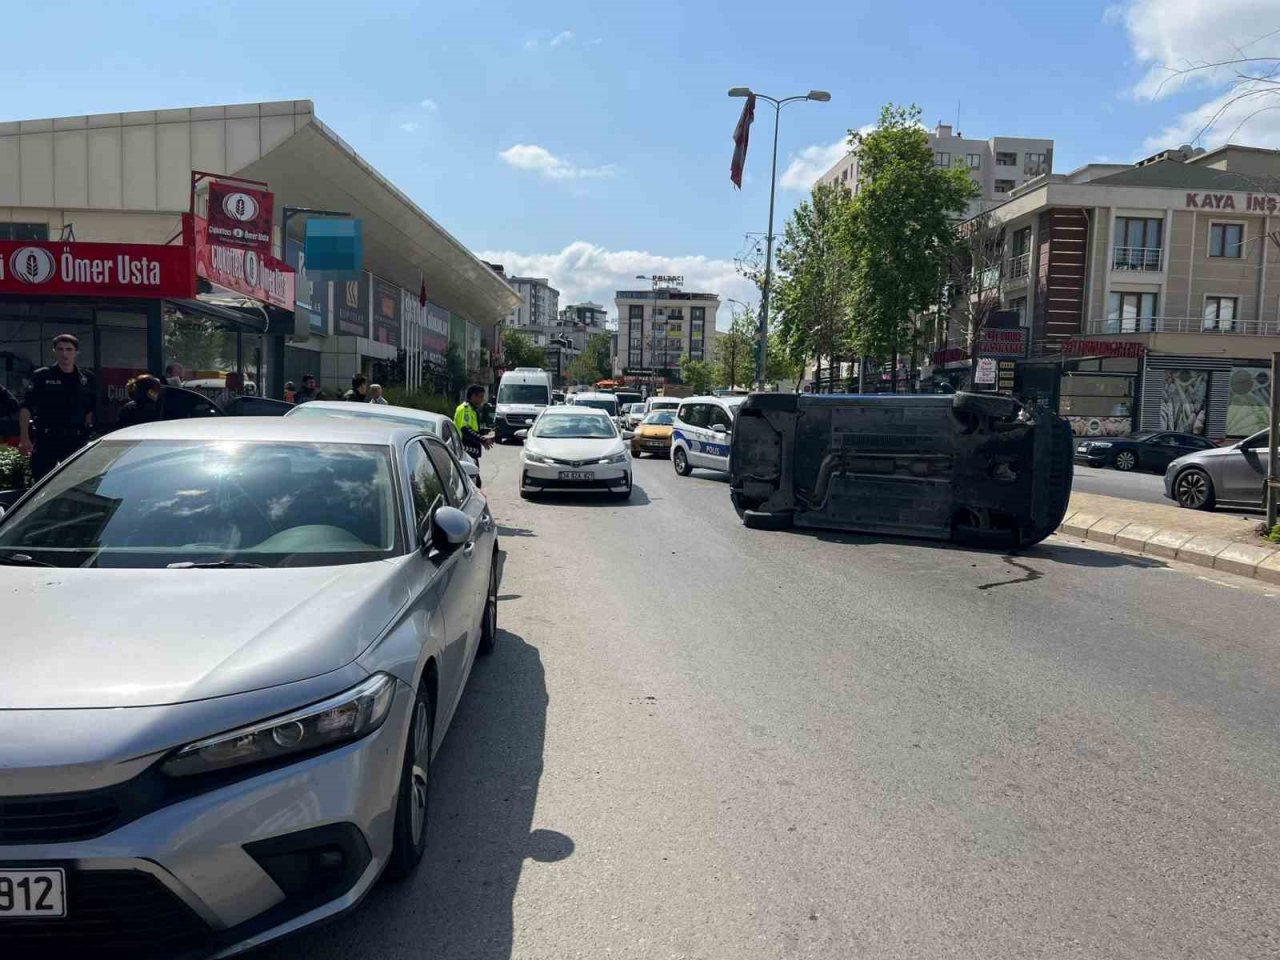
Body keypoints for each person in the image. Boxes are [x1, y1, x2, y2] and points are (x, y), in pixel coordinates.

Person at [19, 334, 97, 481]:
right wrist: (24, 438)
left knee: (76, 484)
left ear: (76, 352)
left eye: (69, 349)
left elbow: (90, 409)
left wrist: (89, 433)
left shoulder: (86, 379)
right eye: (60, 349)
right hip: (48, 438)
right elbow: (26, 407)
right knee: (42, 483)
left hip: (76, 439)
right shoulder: (42, 375)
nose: (64, 353)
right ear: (54, 351)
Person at [454, 384, 494, 463]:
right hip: (465, 452)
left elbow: (473, 428)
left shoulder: (472, 410)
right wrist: (483, 440)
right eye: (481, 396)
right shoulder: (465, 409)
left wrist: (484, 432)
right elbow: (466, 430)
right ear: (473, 396)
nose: (482, 399)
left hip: (471, 452)